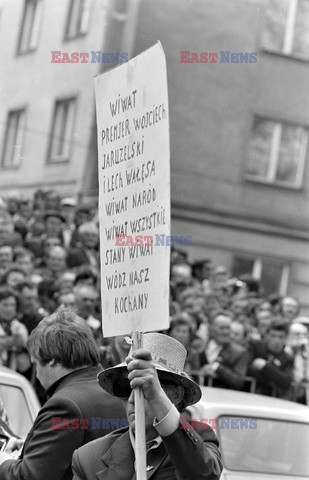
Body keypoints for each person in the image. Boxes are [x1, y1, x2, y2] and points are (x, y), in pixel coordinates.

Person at [72, 333, 223, 480]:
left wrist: (156, 395)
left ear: (175, 395)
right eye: (124, 387)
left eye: (145, 389)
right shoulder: (89, 457)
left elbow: (203, 474)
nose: (132, 399)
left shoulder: (200, 439)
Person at [0, 307, 125, 480]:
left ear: (51, 360)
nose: (36, 373)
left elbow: (30, 477)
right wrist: (31, 448)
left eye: (36, 363)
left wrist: (3, 461)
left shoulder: (65, 406)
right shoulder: (118, 392)